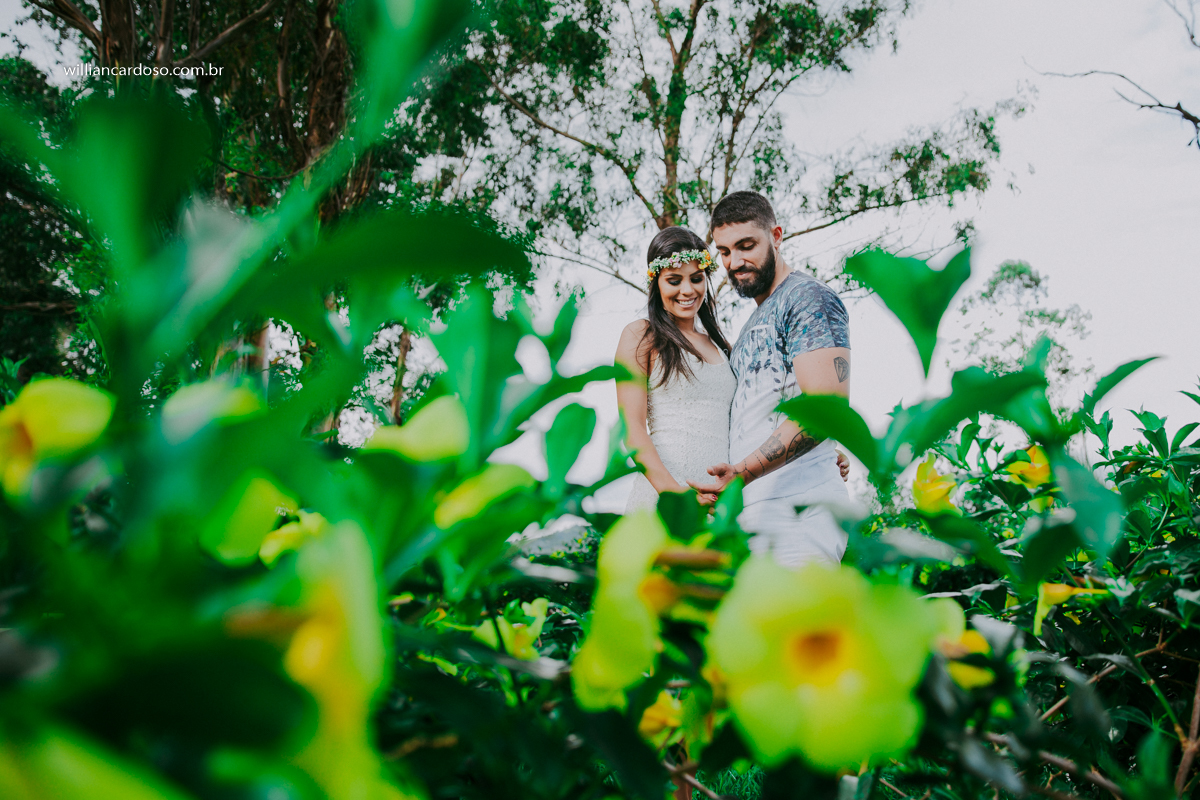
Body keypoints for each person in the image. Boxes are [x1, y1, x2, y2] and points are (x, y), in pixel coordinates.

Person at [690, 191, 851, 567]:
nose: (735, 261)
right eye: (725, 251)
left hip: (800, 511)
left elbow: (825, 408)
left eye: (747, 246)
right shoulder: (748, 327)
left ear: (776, 236)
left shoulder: (808, 298)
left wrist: (741, 473)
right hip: (754, 514)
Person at [616, 226, 735, 513]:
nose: (687, 290)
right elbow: (632, 430)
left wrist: (816, 454)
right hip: (666, 497)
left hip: (719, 503)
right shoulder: (641, 335)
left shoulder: (723, 348)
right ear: (656, 283)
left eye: (696, 279)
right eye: (674, 280)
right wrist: (679, 499)